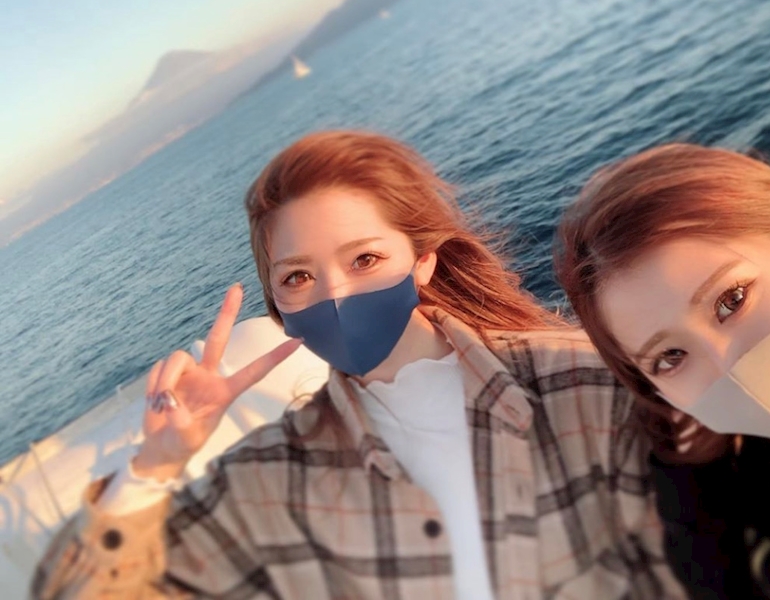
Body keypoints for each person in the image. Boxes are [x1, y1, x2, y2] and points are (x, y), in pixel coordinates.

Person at [31, 131, 684, 599]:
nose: (335, 295)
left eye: (364, 259)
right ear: (278, 307)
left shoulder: (583, 383)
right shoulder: (273, 478)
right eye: (298, 276)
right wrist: (154, 466)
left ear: (422, 260)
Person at [556, 142, 770, 599]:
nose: (727, 365)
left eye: (732, 299)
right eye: (670, 356)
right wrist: (694, 474)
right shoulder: (730, 465)